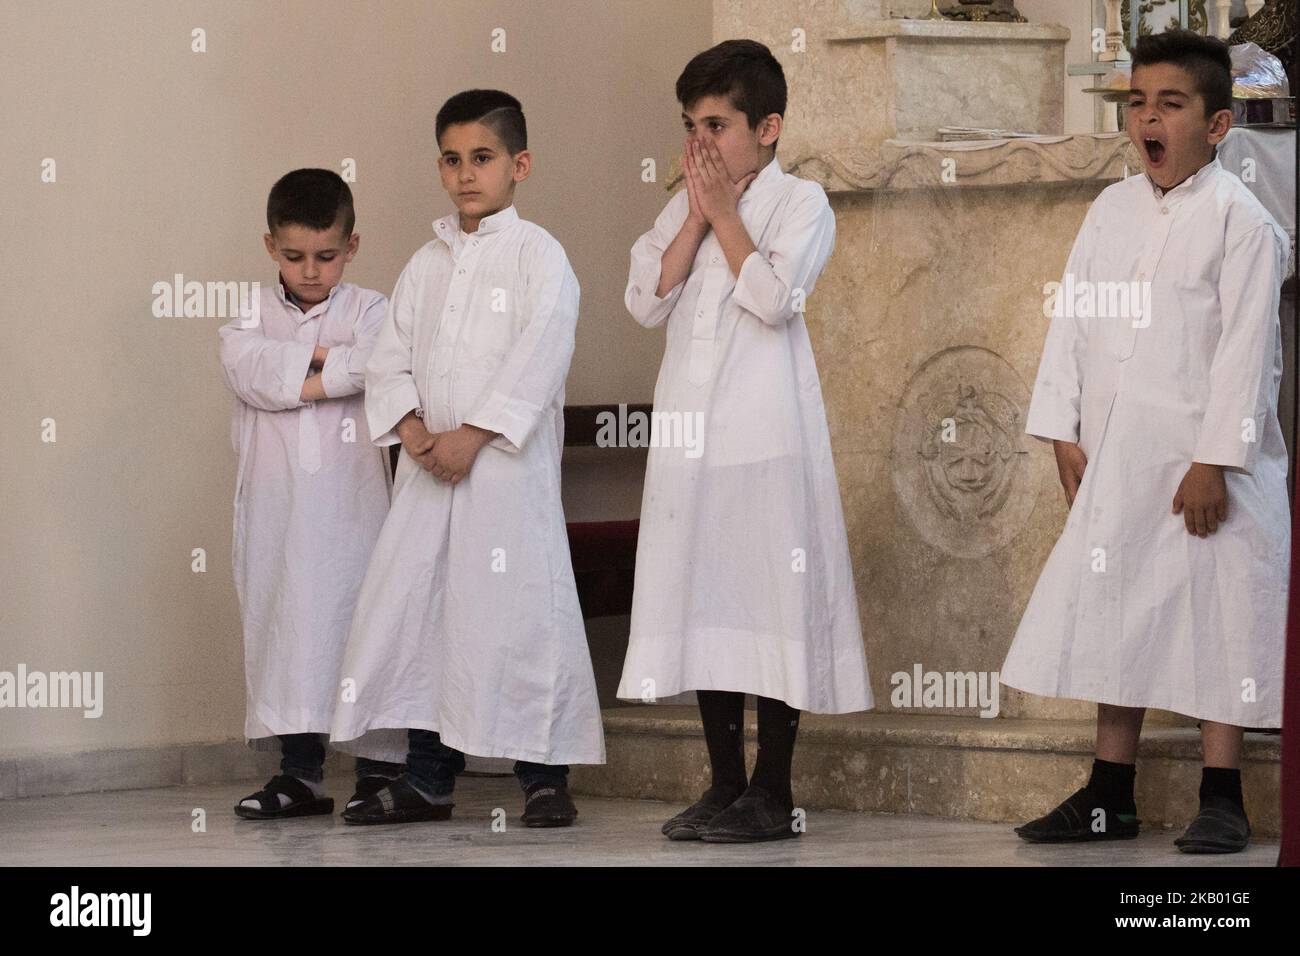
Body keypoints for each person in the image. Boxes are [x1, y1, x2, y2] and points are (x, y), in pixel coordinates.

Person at [1002, 31, 1290, 854]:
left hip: (1205, 466)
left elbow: (1248, 354)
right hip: (1120, 456)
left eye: (1171, 104)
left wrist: (1216, 459)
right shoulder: (1110, 211)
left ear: (1219, 124)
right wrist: (1061, 427)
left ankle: (1223, 794)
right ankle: (1108, 795)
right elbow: (1073, 325)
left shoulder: (1243, 223)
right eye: (1137, 104)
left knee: (1220, 613)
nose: (1148, 120)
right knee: (1115, 609)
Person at [616, 40, 873, 843]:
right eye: (692, 127)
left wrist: (725, 216)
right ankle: (725, 781)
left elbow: (774, 299)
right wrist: (696, 215)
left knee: (771, 606)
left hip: (764, 436)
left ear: (769, 127)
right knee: (710, 607)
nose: (702, 145)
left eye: (718, 126)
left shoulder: (803, 204)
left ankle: (774, 787)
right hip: (691, 445)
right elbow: (643, 301)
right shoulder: (679, 207)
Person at [332, 90, 604, 828]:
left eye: (481, 158)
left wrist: (474, 435)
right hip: (429, 477)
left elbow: (541, 354)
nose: (464, 175)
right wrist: (416, 431)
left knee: (519, 618)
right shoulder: (425, 264)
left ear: (519, 164)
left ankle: (545, 778)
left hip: (505, 476)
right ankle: (427, 779)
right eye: (451, 160)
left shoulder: (539, 256)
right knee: (425, 618)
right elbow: (390, 359)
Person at [219, 168, 403, 819]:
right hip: (277, 510)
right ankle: (300, 775)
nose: (311, 271)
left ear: (351, 246)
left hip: (353, 510)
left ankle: (381, 772)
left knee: (365, 626)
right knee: (286, 630)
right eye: (295, 256)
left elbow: (380, 364)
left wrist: (304, 362)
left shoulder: (373, 308)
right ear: (271, 246)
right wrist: (330, 364)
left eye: (326, 256)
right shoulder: (248, 314)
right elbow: (254, 374)